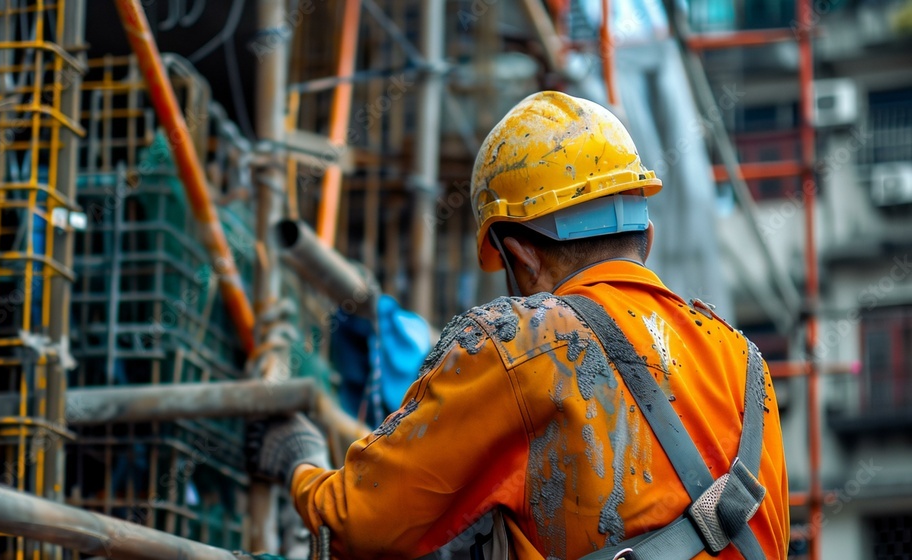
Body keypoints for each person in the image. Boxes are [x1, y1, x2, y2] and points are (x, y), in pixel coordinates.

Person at [250, 91, 789, 559]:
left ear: (519, 257)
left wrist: (301, 462)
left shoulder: (522, 343)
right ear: (645, 236)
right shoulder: (745, 363)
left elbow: (354, 526)